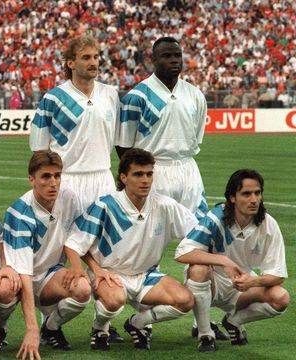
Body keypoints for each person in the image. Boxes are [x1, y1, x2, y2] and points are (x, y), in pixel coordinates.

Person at [64, 148, 197, 351]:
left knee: (184, 301)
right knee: (115, 299)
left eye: (149, 174)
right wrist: (97, 270)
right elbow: (74, 244)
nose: (145, 180)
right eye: (138, 174)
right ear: (124, 177)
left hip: (146, 276)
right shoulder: (105, 205)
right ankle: (99, 328)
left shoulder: (165, 205)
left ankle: (137, 323)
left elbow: (198, 233)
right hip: (110, 275)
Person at [175, 169, 289, 352]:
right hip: (211, 282)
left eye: (257, 193)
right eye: (246, 194)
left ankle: (233, 321)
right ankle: (205, 334)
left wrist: (253, 281)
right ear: (232, 197)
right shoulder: (216, 218)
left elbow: (278, 275)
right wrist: (222, 260)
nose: (254, 199)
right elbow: (182, 252)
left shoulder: (269, 224)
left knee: (281, 297)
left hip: (242, 287)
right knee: (197, 269)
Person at [0, 150, 91, 359]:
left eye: (57, 175)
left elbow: (79, 238)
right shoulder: (19, 213)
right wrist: (31, 328)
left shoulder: (69, 198)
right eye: (46, 176)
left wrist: (87, 268)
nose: (53, 182)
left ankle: (51, 327)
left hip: (50, 274)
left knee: (83, 288)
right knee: (5, 288)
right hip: (20, 276)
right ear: (31, 179)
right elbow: (24, 274)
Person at [117, 37, 208, 220]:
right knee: (149, 234)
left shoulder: (195, 95)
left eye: (177, 55)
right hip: (153, 171)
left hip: (188, 169)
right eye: (166, 56)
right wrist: (141, 171)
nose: (174, 60)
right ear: (153, 60)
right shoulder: (137, 97)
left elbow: (195, 138)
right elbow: (123, 146)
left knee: (198, 232)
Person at [30, 35, 119, 211]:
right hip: (68, 180)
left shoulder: (110, 94)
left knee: (106, 238)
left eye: (95, 57)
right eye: (86, 57)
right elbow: (39, 148)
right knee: (66, 238)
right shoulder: (53, 99)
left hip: (103, 179)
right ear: (71, 63)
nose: (93, 62)